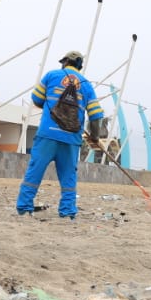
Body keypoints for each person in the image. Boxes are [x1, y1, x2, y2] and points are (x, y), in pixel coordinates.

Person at [16, 51, 105, 219]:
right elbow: (96, 116)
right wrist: (94, 137)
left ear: (65, 62)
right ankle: (67, 212)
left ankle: (24, 208)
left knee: (35, 171)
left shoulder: (51, 75)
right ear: (80, 65)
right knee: (68, 177)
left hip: (47, 135)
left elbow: (36, 99)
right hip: (71, 139)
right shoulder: (86, 85)